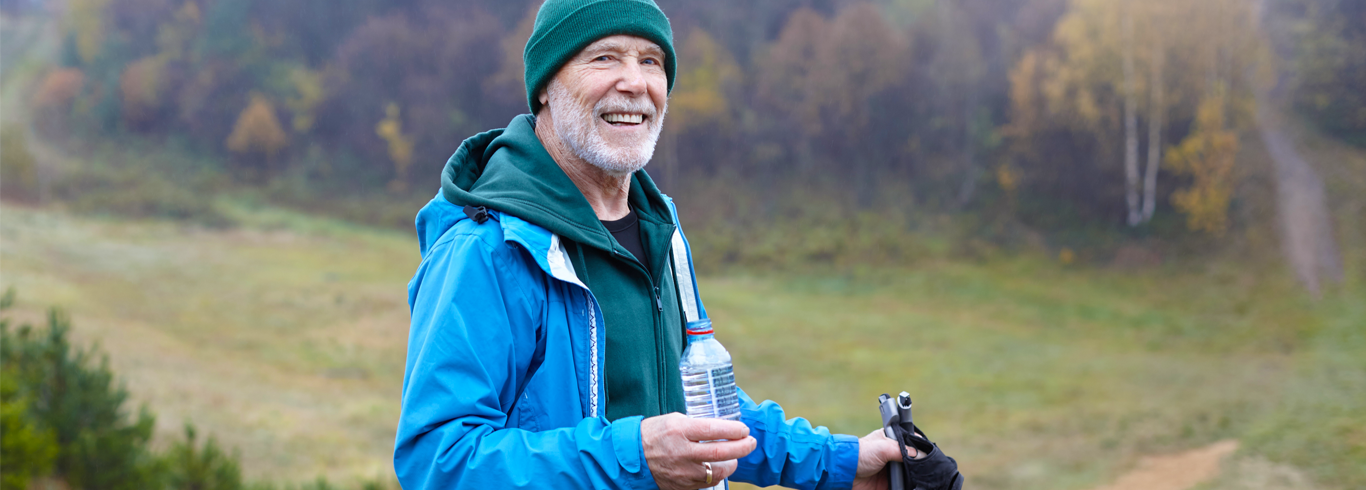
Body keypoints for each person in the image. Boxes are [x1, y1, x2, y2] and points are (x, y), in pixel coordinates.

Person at [393, 0, 916, 488]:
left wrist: (841, 463)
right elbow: (437, 459)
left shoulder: (660, 229)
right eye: (604, 57)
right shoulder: (488, 250)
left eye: (651, 61)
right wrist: (634, 457)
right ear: (546, 85)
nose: (634, 82)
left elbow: (699, 409)